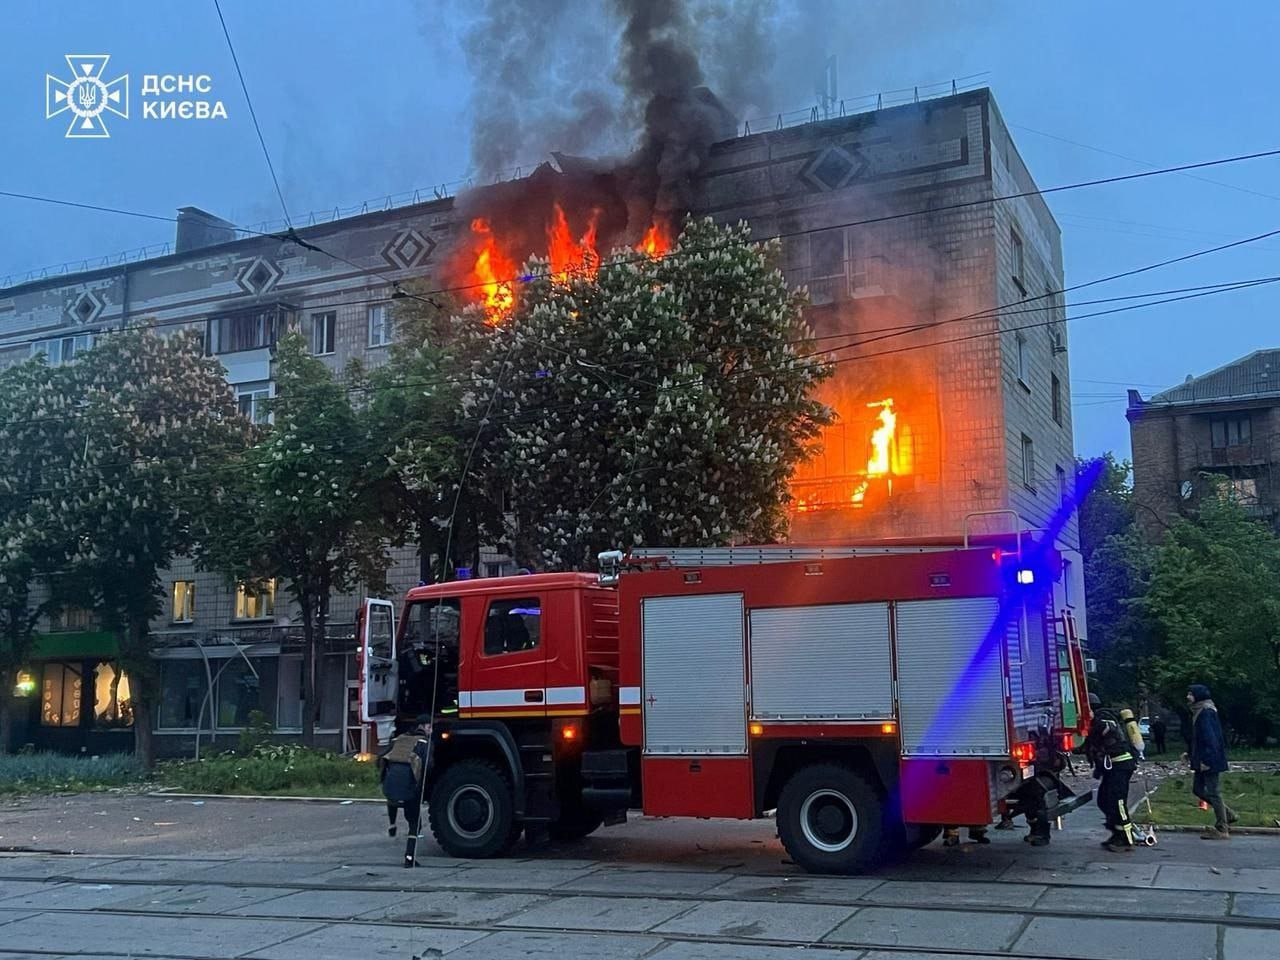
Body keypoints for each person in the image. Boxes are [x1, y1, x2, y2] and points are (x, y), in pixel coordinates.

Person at [1084, 698, 1138, 852]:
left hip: (1121, 764)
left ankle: (1126, 838)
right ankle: (1116, 831)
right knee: (1103, 800)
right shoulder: (1096, 722)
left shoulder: (1104, 719)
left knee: (1118, 802)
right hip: (1111, 767)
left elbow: (1108, 733)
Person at [378, 717, 432, 867]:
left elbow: (380, 758)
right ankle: (409, 858)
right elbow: (429, 765)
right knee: (415, 823)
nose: (431, 730)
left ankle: (392, 823)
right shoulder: (424, 743)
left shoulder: (398, 740)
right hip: (408, 787)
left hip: (389, 786)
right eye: (429, 726)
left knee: (393, 799)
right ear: (422, 727)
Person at [1184, 684, 1236, 840]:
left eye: (1190, 694)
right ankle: (1228, 814)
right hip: (1202, 758)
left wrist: (1206, 760)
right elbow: (1199, 738)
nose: (1188, 697)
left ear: (1198, 695)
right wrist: (1190, 754)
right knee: (1198, 790)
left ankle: (1222, 828)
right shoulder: (1199, 711)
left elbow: (1210, 739)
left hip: (1209, 759)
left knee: (1213, 792)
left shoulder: (1205, 712)